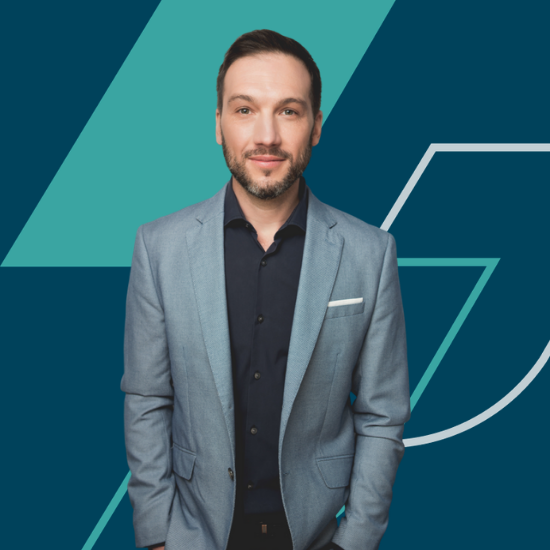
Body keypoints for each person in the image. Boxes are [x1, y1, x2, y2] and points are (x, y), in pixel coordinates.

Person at [121, 29, 410, 550]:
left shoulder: (371, 254)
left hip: (316, 536)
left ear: (317, 126)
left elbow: (382, 414)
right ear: (218, 124)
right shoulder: (157, 248)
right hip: (193, 535)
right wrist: (157, 536)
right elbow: (146, 398)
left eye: (290, 111)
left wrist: (356, 540)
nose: (268, 136)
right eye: (245, 110)